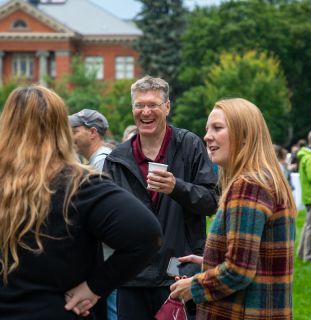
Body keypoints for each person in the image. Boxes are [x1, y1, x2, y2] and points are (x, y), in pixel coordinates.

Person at [0, 85, 162, 320]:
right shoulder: (79, 185)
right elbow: (147, 234)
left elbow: (144, 234)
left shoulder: (78, 185)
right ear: (61, 130)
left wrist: (95, 287)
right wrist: (96, 287)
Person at [103, 75, 218, 320]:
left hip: (179, 273)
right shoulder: (117, 159)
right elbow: (103, 218)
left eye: (153, 104)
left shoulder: (189, 146)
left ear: (167, 107)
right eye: (139, 105)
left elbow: (211, 201)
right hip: (132, 275)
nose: (146, 111)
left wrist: (177, 187)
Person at [170, 98, 296, 320]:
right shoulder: (265, 180)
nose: (207, 136)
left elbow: (238, 271)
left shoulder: (249, 186)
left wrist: (194, 287)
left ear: (245, 135)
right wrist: (210, 260)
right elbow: (258, 257)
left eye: (217, 128)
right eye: (207, 129)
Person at [68, 109, 117, 319]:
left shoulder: (101, 162)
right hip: (106, 253)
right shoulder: (96, 161)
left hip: (108, 255)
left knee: (112, 310)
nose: (71, 136)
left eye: (75, 130)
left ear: (93, 132)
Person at [297, 130, 311, 262]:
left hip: (310, 196)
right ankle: (309, 257)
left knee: (308, 226)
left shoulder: (305, 155)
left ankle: (301, 254)